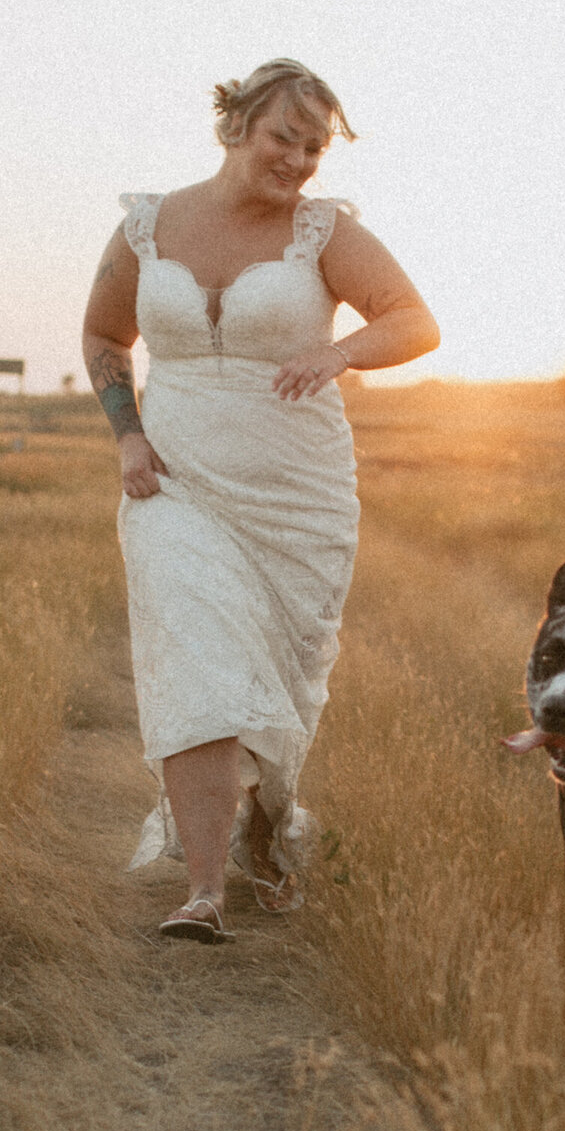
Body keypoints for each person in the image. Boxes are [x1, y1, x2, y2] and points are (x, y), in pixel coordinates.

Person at [83, 60, 439, 942]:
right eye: (286, 137)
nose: (299, 160)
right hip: (174, 479)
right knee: (197, 661)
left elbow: (413, 319)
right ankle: (204, 890)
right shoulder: (148, 225)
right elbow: (102, 332)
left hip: (296, 495)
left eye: (316, 147)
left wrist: (342, 353)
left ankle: (269, 826)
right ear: (235, 124)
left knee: (280, 687)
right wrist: (128, 433)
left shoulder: (322, 233)